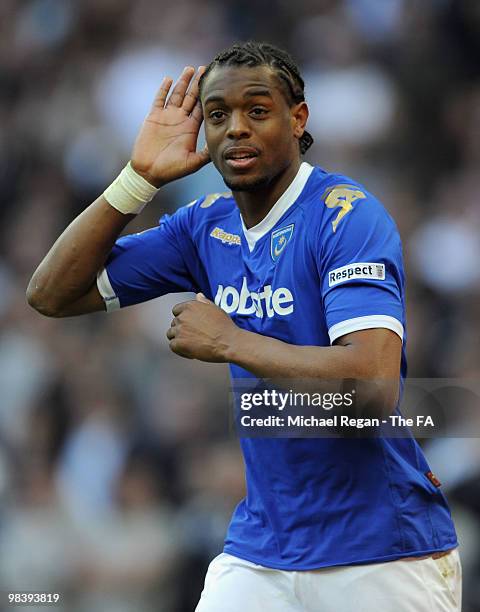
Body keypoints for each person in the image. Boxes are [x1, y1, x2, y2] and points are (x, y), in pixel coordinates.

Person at [27, 42, 461, 611]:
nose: (235, 129)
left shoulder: (346, 216)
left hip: (379, 549)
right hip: (263, 551)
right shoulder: (201, 228)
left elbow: (374, 385)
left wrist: (231, 341)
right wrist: (138, 178)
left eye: (257, 110)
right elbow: (52, 294)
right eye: (217, 115)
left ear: (298, 117)